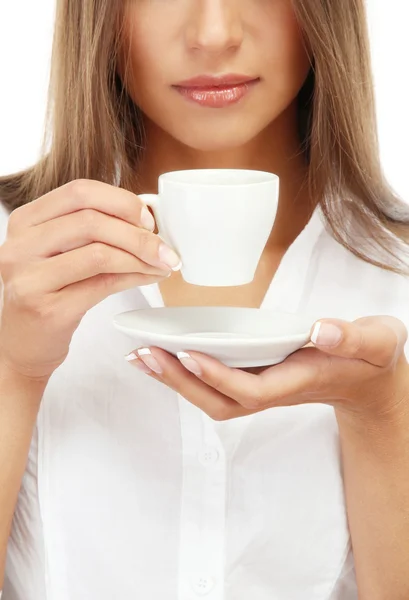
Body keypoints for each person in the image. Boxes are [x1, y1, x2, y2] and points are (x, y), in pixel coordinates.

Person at [0, 0, 409, 598]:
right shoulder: (13, 258)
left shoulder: (394, 271)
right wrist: (14, 370)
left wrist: (382, 412)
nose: (214, 34)